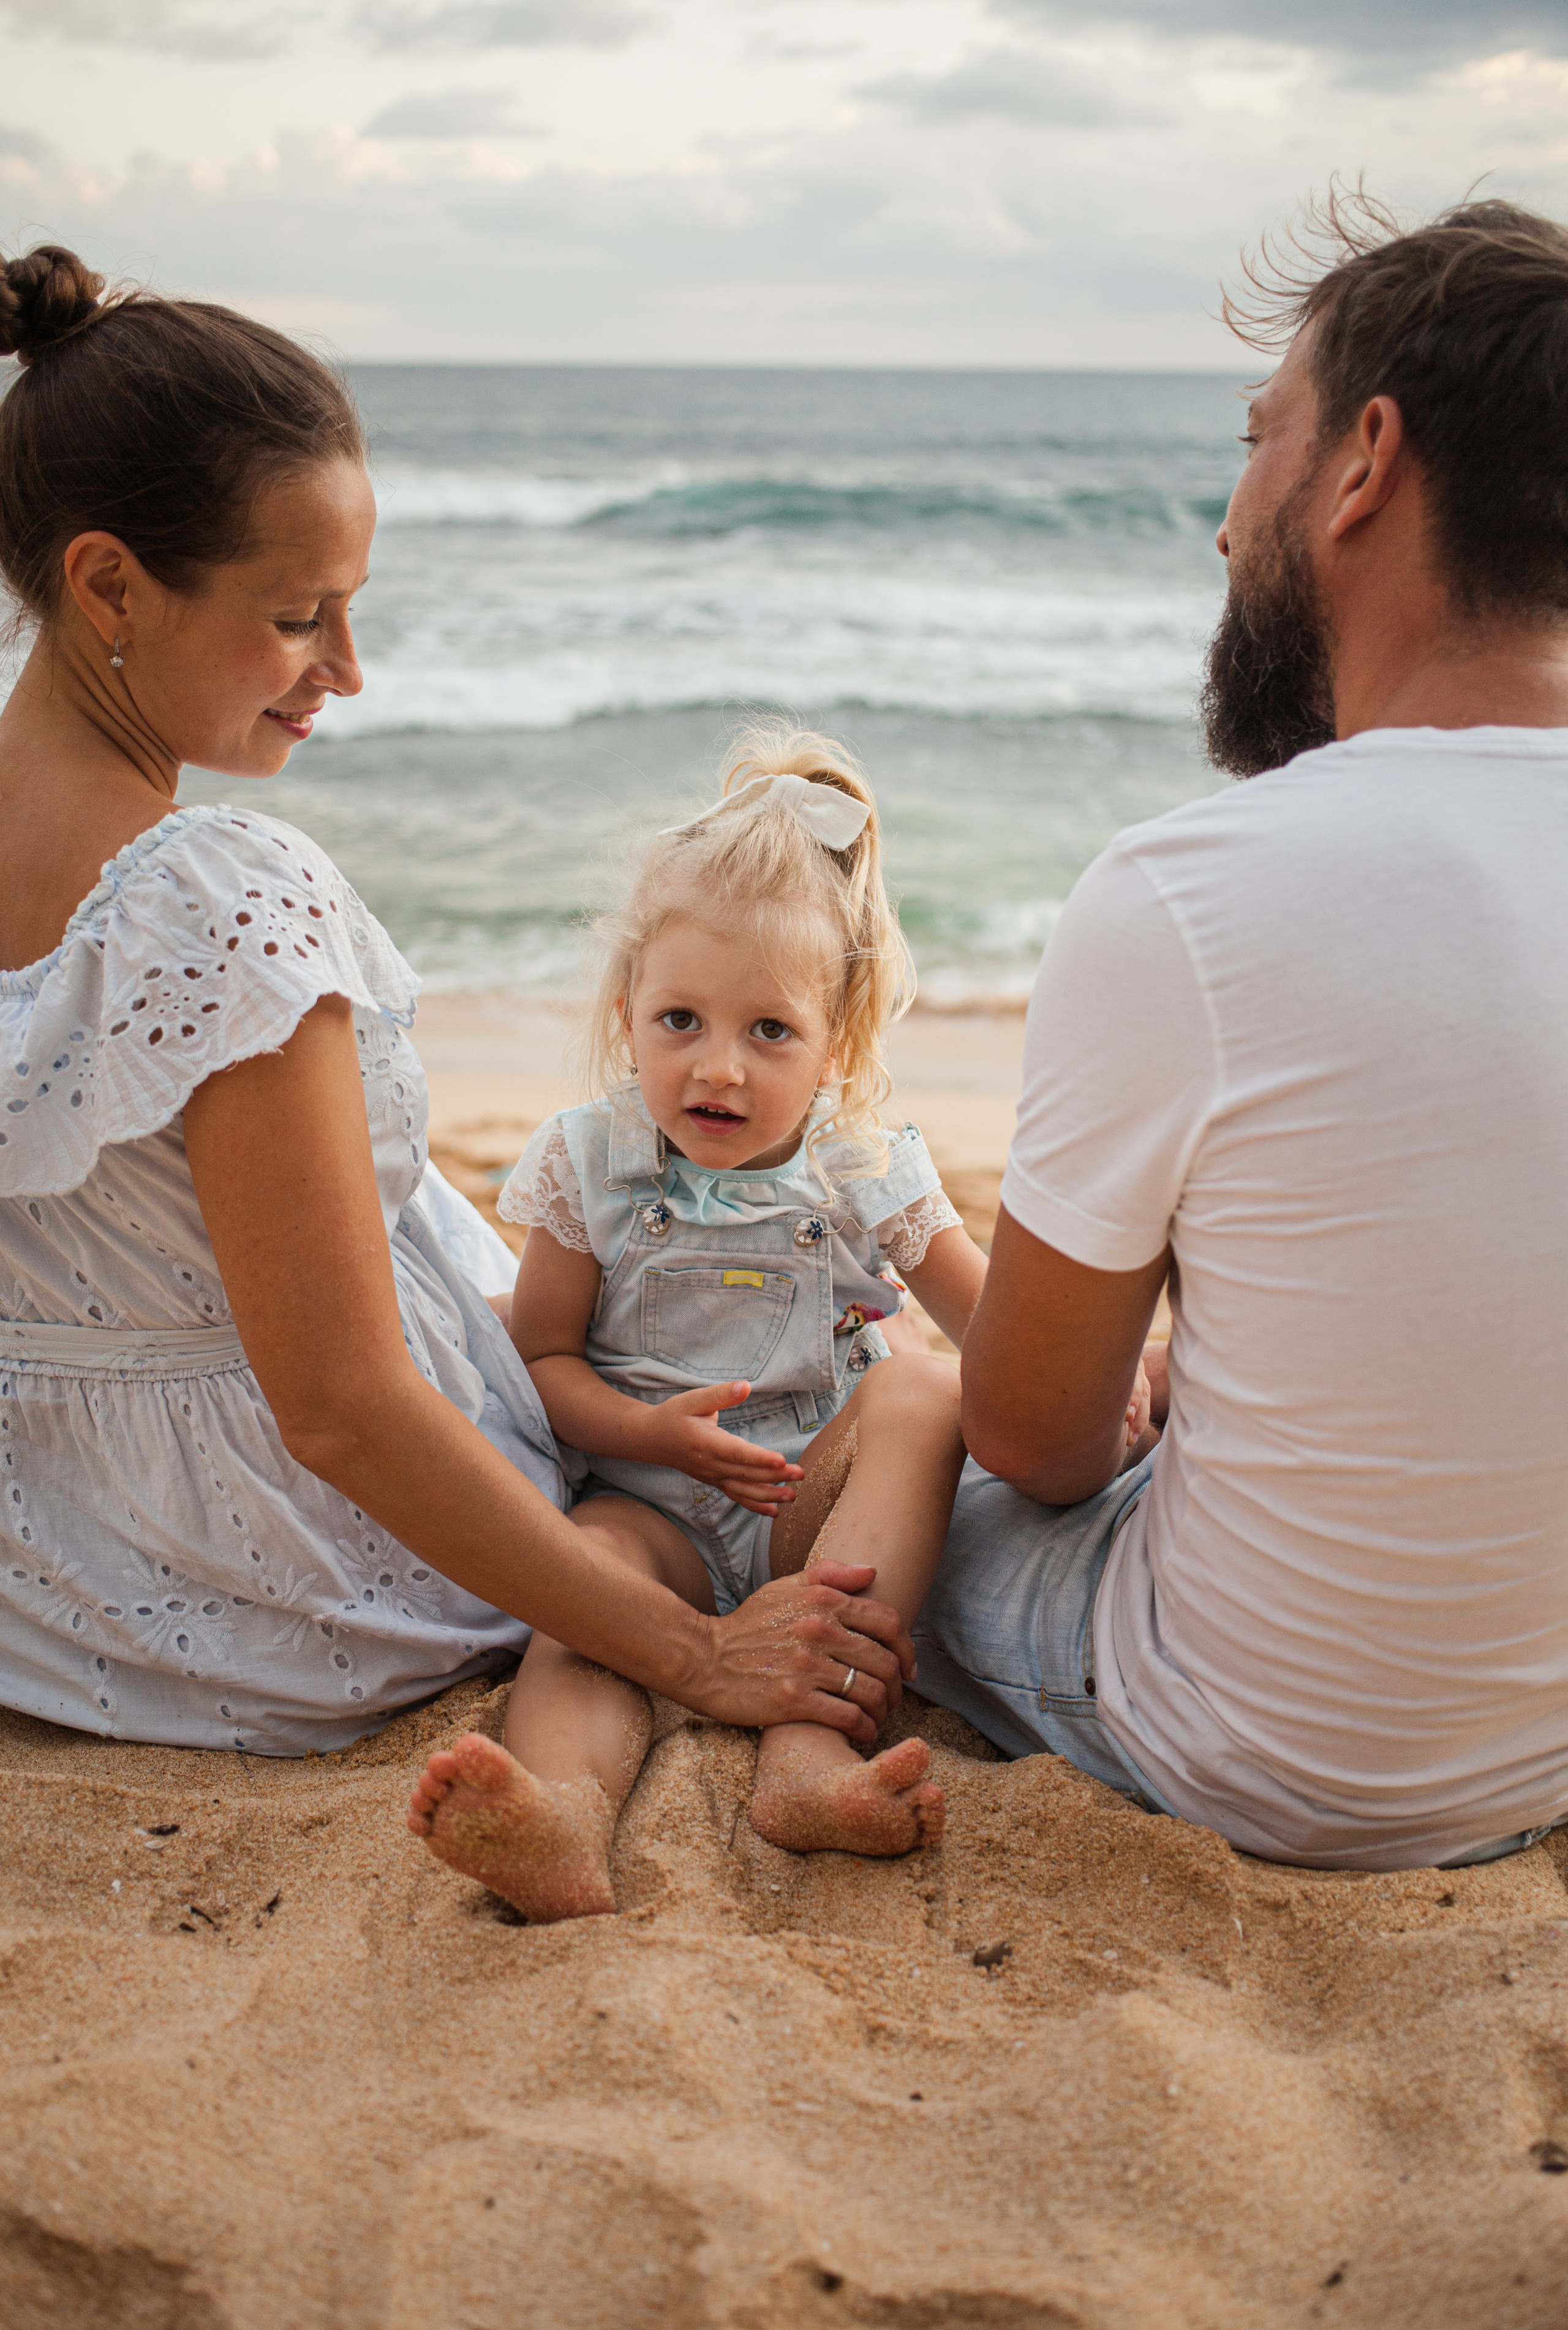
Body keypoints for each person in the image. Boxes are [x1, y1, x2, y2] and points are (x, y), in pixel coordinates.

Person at [0, 245, 914, 1778]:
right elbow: (347, 1408)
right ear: (107, 582)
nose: (344, 671)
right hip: (298, 1588)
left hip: (48, 1585)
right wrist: (697, 1655)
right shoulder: (213, 896)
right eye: (300, 616)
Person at [918, 192, 1568, 1871]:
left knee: (906, 1441)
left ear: (1362, 463)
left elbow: (1037, 1441)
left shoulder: (1189, 893)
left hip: (1267, 1762)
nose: (1226, 524)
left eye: (1253, 437)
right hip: (1547, 1748)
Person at [408, 735, 1065, 1915]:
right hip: (644, 1510)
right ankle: (561, 1813)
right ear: (627, 1012)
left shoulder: (868, 1164)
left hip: (803, 1513)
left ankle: (809, 1766)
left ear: (839, 1043)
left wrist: (1131, 1365)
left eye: (771, 1032)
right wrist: (651, 1437)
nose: (720, 1068)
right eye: (679, 1021)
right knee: (586, 1590)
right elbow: (542, 1356)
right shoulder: (587, 1162)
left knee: (920, 1385)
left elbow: (997, 1328)